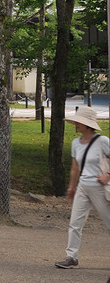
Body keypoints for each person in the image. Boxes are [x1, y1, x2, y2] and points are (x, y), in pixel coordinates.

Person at [56, 105, 110, 269]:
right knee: (75, 223)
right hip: (83, 187)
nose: (76, 125)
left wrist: (107, 176)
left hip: (99, 187)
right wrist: (72, 187)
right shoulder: (76, 143)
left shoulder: (103, 141)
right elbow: (75, 167)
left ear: (87, 125)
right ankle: (71, 257)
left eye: (79, 122)